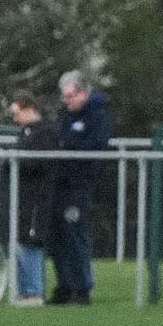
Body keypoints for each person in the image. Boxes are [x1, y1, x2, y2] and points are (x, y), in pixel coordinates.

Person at [49, 70, 112, 305]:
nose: (67, 101)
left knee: (75, 235)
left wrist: (70, 147)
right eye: (64, 97)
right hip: (59, 184)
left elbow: (96, 146)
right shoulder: (64, 115)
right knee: (57, 237)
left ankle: (82, 289)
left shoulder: (97, 115)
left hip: (79, 186)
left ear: (84, 92)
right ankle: (64, 286)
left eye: (71, 96)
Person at [9, 93, 58, 307]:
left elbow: (39, 162)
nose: (14, 118)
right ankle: (23, 291)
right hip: (23, 197)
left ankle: (34, 292)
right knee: (20, 240)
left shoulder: (44, 132)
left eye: (17, 113)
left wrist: (15, 162)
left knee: (31, 240)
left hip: (37, 197)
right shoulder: (25, 132)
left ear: (29, 109)